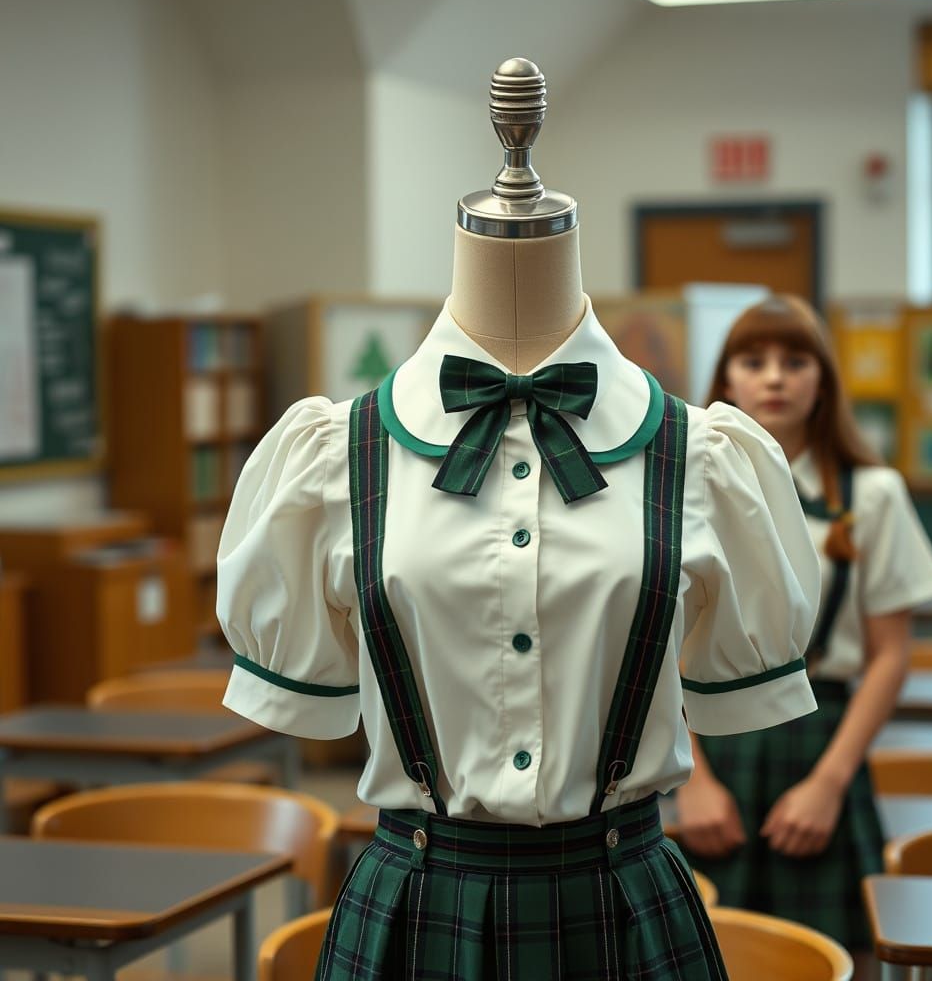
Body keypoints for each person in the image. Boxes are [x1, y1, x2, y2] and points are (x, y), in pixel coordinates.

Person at [217, 60, 822, 980]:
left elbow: (735, 682)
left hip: (624, 904)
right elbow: (306, 689)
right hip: (418, 904)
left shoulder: (702, 458)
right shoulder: (336, 457)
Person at [675, 293, 932, 974]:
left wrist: (829, 783)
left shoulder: (872, 493)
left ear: (822, 380)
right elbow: (652, 650)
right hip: (711, 742)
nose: (774, 377)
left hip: (821, 739)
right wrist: (690, 780)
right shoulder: (683, 484)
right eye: (753, 359)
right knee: (703, 956)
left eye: (795, 361)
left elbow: (889, 656)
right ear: (726, 381)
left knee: (834, 959)